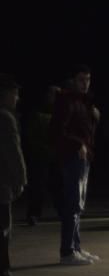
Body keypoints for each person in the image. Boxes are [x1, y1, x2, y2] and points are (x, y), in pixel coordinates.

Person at [50, 65, 100, 265]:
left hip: (83, 157)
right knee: (72, 204)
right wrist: (77, 143)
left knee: (77, 205)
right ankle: (68, 251)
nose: (85, 83)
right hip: (73, 158)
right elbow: (56, 131)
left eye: (88, 79)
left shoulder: (84, 102)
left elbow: (85, 129)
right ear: (73, 80)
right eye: (81, 79)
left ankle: (75, 247)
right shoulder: (67, 100)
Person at [0, 74, 28, 276]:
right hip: (2, 183)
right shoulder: (6, 118)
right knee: (3, 229)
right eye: (15, 94)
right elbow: (12, 152)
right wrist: (21, 178)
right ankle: (2, 273)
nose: (17, 99)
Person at [21, 85, 58, 225]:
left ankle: (62, 211)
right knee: (38, 186)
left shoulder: (60, 113)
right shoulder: (38, 115)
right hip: (41, 156)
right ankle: (34, 213)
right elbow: (31, 136)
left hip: (55, 156)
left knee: (57, 185)